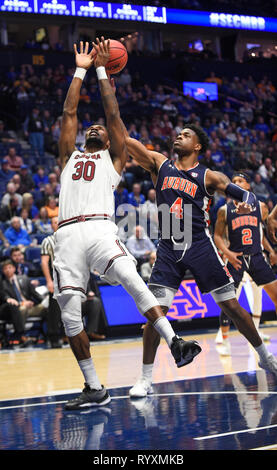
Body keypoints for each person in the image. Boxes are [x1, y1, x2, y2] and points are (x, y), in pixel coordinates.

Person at [53, 38, 201, 411]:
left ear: (110, 141)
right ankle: (93, 386)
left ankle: (175, 341)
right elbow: (69, 112)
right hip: (67, 233)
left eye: (101, 130)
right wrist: (80, 69)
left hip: (101, 228)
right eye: (92, 128)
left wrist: (102, 69)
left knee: (132, 276)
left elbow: (114, 115)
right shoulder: (69, 156)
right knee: (70, 312)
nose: (95, 128)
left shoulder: (115, 159)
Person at [121, 120, 277, 397]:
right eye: (178, 134)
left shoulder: (208, 176)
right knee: (155, 316)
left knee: (231, 306)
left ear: (197, 146)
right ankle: (145, 379)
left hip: (199, 246)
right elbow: (124, 139)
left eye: (186, 135)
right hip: (168, 247)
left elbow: (241, 193)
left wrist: (246, 200)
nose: (178, 137)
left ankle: (265, 357)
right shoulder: (160, 163)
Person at [213, 172, 277, 355]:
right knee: (229, 300)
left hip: (256, 257)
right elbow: (217, 236)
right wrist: (228, 253)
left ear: (248, 186)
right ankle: (224, 338)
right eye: (233, 182)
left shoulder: (261, 207)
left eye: (240, 181)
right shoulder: (225, 210)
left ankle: (256, 328)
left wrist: (271, 250)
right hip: (236, 259)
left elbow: (264, 230)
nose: (237, 184)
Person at [1, 259, 47, 328]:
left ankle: (52, 334)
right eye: (5, 269)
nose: (8, 270)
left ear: (14, 268)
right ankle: (21, 335)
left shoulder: (24, 278)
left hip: (31, 308)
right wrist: (22, 303)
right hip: (18, 309)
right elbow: (8, 301)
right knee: (23, 309)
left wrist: (45, 301)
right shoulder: (3, 284)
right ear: (3, 271)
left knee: (48, 307)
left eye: (9, 267)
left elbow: (35, 294)